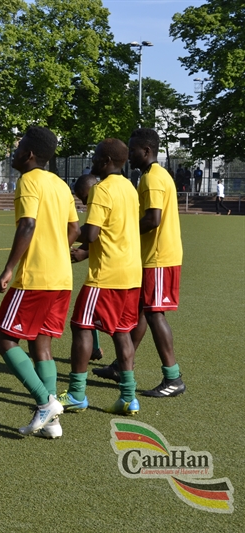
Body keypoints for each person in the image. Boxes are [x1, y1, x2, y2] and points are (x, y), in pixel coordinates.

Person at [0, 126, 79, 438]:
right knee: (41, 344)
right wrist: (57, 250)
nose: (14, 153)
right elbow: (74, 229)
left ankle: (45, 402)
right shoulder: (60, 184)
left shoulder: (29, 180)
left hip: (35, 277)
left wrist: (8, 268)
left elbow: (27, 224)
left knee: (4, 339)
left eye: (17, 149)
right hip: (62, 278)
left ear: (29, 155)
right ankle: (52, 423)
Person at [94, 129, 186, 397]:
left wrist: (123, 232)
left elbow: (152, 219)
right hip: (154, 255)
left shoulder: (152, 178)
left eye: (133, 150)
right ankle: (121, 366)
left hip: (159, 256)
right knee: (142, 312)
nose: (129, 155)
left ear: (146, 151)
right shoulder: (154, 175)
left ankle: (173, 377)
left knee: (155, 313)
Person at [62, 138, 142, 415]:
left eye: (96, 156)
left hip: (106, 275)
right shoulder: (130, 188)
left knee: (81, 327)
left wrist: (61, 234)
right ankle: (129, 397)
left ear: (106, 161)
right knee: (122, 333)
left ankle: (76, 394)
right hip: (131, 274)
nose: (92, 160)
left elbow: (92, 232)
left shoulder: (101, 189)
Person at [73, 174, 105, 362]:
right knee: (121, 328)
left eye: (84, 197)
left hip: (107, 273)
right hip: (126, 271)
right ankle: (124, 373)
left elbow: (92, 233)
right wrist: (85, 251)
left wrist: (67, 231)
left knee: (80, 322)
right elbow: (104, 232)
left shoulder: (101, 197)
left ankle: (78, 381)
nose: (84, 203)